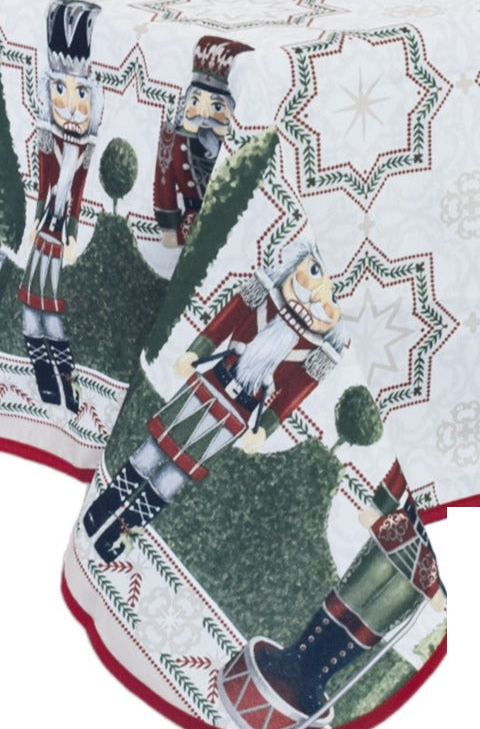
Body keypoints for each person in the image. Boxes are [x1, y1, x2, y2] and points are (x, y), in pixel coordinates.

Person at [83, 239, 346, 562]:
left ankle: (123, 529)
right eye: (315, 271)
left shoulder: (314, 351)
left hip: (237, 414)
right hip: (208, 383)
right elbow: (227, 319)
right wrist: (198, 350)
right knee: (157, 446)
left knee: (178, 472)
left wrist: (265, 427)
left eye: (333, 297)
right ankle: (106, 503)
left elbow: (291, 395)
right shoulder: (265, 296)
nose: (316, 296)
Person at [219, 460, 447, 729]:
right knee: (348, 598)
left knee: (371, 624)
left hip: (427, 571)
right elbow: (408, 463)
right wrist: (381, 505)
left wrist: (444, 587)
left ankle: (316, 678)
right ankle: (295, 656)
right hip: (399, 532)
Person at [19, 0, 103, 413]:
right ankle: (44, 384)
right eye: (60, 90)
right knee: (30, 309)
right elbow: (42, 187)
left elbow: (79, 194)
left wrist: (71, 234)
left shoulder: (82, 153)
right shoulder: (49, 142)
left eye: (80, 93)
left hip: (59, 238)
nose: (70, 105)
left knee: (49, 313)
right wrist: (37, 221)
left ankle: (68, 387)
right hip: (43, 234)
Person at [154, 35, 253, 247]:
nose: (204, 114)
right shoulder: (172, 139)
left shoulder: (242, 142)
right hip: (190, 223)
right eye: (196, 101)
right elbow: (164, 181)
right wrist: (169, 227)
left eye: (217, 107)